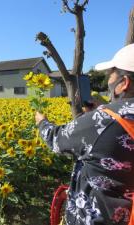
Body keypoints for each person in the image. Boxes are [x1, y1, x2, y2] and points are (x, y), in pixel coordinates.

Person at [35, 44, 134, 225]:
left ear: (124, 83)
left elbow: (56, 139)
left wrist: (42, 122)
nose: (108, 80)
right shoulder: (107, 120)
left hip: (105, 217)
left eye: (111, 74)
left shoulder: (103, 120)